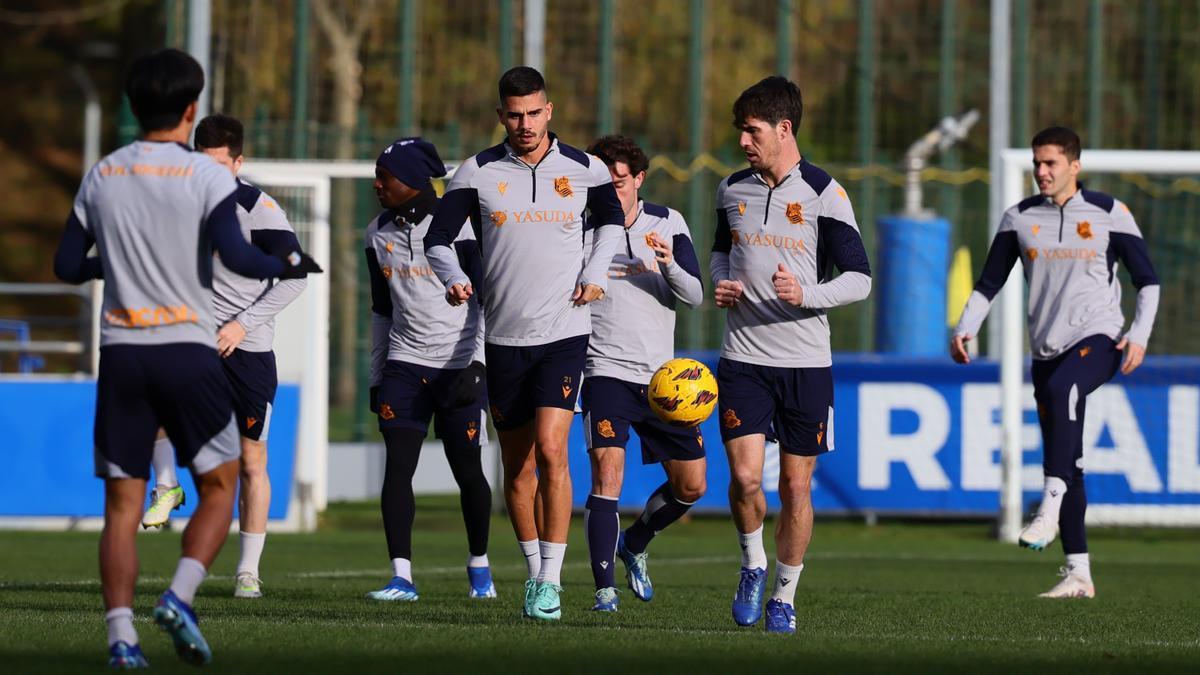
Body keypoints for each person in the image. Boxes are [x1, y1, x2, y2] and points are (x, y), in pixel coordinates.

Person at [53, 49, 319, 668]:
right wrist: (289, 263)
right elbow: (237, 253)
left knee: (122, 506)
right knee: (222, 485)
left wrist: (112, 265)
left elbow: (67, 267)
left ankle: (121, 638)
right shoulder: (205, 178)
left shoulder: (103, 173)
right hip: (187, 348)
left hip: (122, 350)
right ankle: (179, 596)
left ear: (131, 106)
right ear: (191, 109)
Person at [424, 66, 624, 621]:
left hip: (564, 332)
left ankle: (552, 582)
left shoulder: (586, 169)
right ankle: (534, 569)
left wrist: (597, 270)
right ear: (500, 116)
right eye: (514, 115)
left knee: (554, 448)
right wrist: (453, 277)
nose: (525, 124)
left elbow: (611, 224)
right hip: (503, 339)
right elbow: (438, 239)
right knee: (518, 468)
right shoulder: (476, 172)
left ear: (550, 110)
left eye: (534, 113)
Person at [951, 126, 1160, 599]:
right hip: (1045, 350)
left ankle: (1046, 507)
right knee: (1071, 460)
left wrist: (1139, 336)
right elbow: (988, 283)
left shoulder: (1110, 212)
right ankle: (1078, 574)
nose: (1041, 172)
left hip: (1101, 337)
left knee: (1066, 397)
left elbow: (1148, 280)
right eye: (1037, 163)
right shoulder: (1019, 218)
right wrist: (966, 327)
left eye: (1051, 163)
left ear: (1074, 166)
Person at [710, 76, 871, 634]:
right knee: (746, 478)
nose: (743, 142)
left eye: (752, 132)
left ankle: (784, 594)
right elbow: (718, 253)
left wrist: (806, 296)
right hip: (743, 357)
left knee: (796, 487)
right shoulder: (731, 189)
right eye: (741, 132)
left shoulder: (825, 193)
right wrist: (721, 282)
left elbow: (859, 280)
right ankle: (752, 562)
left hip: (805, 364)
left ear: (784, 129)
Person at [140, 114, 309, 602]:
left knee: (252, 460)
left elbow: (295, 277)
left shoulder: (260, 209)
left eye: (220, 166)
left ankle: (247, 572)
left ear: (239, 162)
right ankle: (167, 486)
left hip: (247, 349)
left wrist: (241, 324)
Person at [363, 137, 496, 602]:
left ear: (416, 182)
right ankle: (402, 576)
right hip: (404, 365)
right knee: (398, 468)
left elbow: (485, 300)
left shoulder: (460, 229)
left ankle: (479, 563)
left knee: (468, 471)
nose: (377, 184)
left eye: (387, 176)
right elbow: (381, 312)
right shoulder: (376, 233)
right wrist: (377, 377)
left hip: (459, 367)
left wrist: (478, 364)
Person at [579, 135, 705, 612]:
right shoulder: (583, 225)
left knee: (692, 486)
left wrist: (669, 264)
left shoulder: (668, 222)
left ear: (638, 180)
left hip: (663, 381)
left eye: (620, 182)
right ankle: (603, 591)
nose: (612, 192)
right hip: (604, 369)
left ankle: (634, 543)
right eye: (604, 184)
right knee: (607, 472)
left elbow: (694, 296)